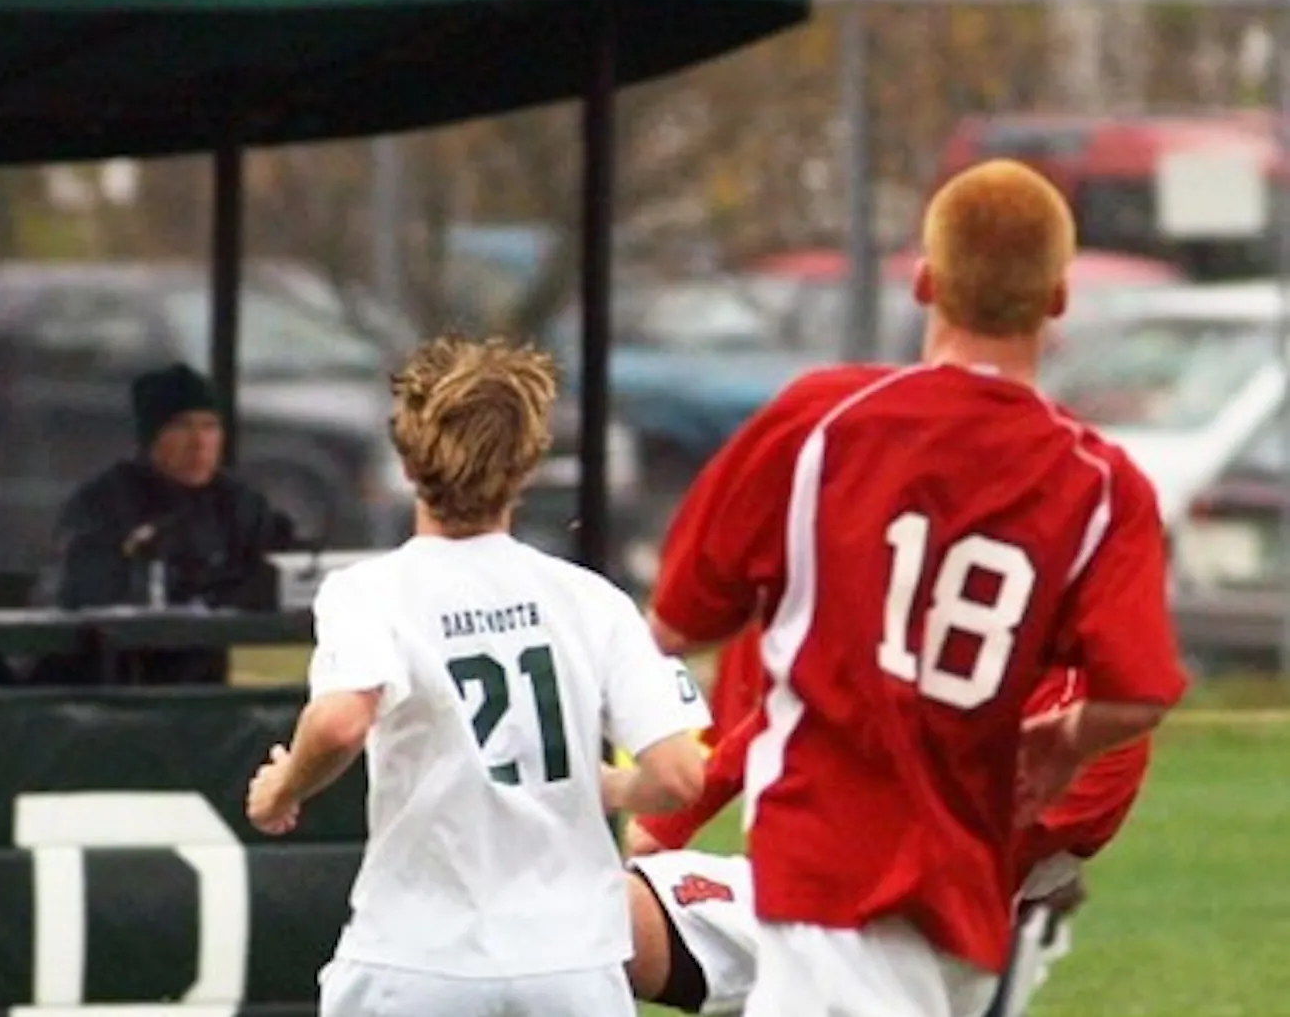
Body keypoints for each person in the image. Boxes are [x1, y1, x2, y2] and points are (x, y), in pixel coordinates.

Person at [648, 159, 1189, 1017]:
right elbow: (1140, 692)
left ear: (927, 282)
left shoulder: (821, 420)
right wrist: (1068, 738)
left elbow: (677, 620)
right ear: (1057, 299)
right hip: (964, 898)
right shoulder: (1105, 483)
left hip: (829, 862)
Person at [243, 335, 706, 1017]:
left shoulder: (371, 590)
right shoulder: (590, 599)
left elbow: (342, 721)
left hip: (417, 960)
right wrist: (611, 784)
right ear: (526, 466)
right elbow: (677, 776)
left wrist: (283, 786)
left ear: (406, 459)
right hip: (571, 966)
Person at [617, 665, 1154, 1017]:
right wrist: (663, 827)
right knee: (588, 915)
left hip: (911, 941)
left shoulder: (1099, 729)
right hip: (816, 900)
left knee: (588, 916)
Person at [40, 362, 297, 682]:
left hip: (205, 691)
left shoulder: (238, 505)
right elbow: (83, 592)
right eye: (181, 426)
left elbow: (283, 571)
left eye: (210, 426)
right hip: (116, 685)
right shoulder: (104, 504)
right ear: (151, 436)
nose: (198, 442)